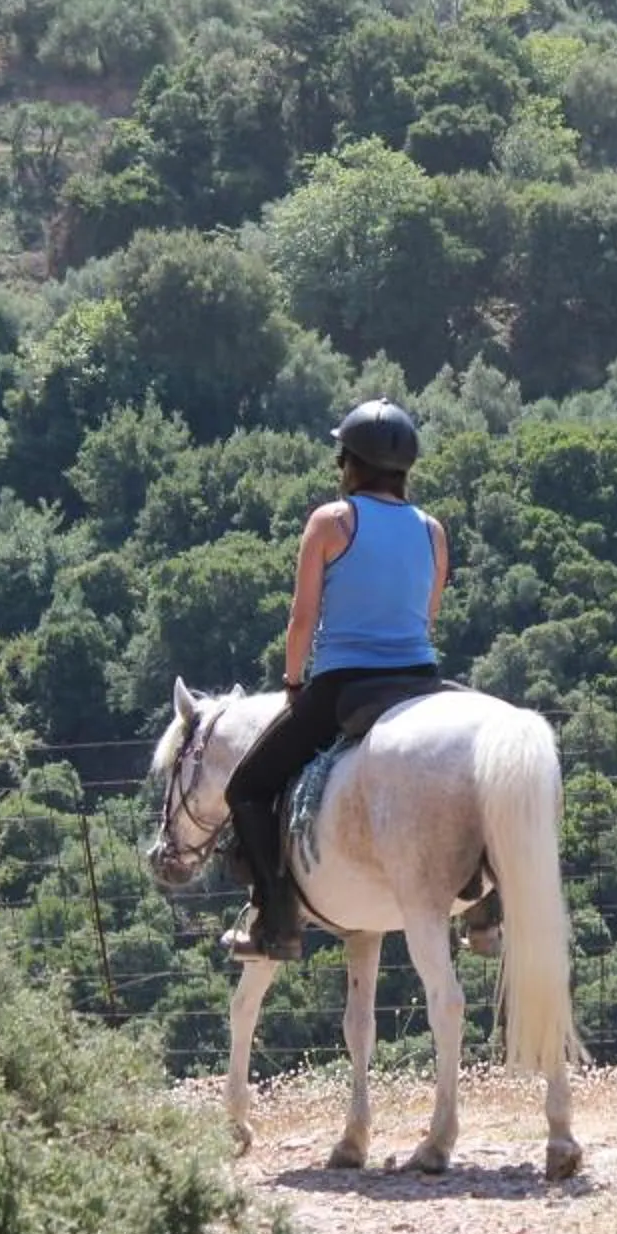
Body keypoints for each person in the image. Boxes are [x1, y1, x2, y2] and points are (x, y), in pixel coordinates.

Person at [220, 399, 451, 961]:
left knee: (246, 790)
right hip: (420, 681)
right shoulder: (432, 531)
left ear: (350, 463)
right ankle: (486, 906)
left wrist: (293, 681)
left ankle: (277, 921)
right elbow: (428, 615)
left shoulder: (331, 522)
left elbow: (302, 620)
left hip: (345, 685)